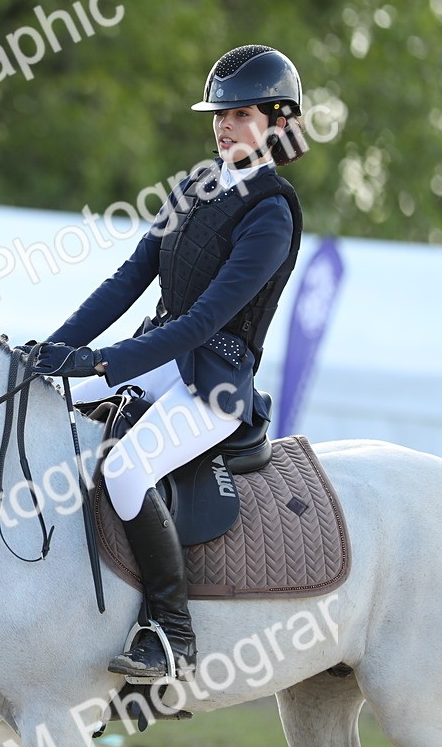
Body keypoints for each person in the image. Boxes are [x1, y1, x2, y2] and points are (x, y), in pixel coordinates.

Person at [31, 45, 308, 680]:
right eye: (220, 114)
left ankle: (170, 632)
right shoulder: (192, 187)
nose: (224, 125)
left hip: (213, 383)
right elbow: (130, 279)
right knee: (45, 409)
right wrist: (50, 350)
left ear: (280, 122)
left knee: (127, 470)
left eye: (241, 114)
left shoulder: (272, 211)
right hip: (159, 355)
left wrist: (103, 363)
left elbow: (203, 323)